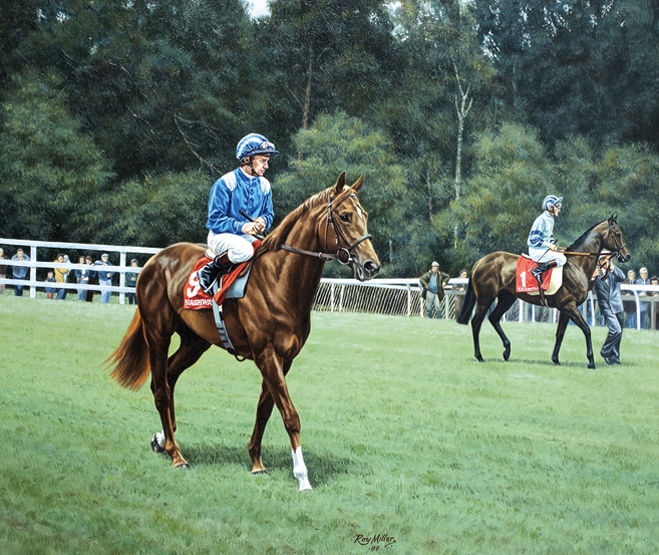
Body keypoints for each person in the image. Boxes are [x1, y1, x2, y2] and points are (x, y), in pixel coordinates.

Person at [197, 133, 278, 294]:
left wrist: (263, 220)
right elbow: (214, 221)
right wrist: (242, 226)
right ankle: (209, 270)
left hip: (247, 237)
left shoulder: (265, 185)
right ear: (247, 159)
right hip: (220, 235)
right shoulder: (225, 183)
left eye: (267, 161)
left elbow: (269, 213)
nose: (266, 166)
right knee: (245, 250)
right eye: (262, 161)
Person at [527, 195, 567, 304]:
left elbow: (550, 237)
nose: (559, 209)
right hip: (536, 251)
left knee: (563, 254)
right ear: (550, 207)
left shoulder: (550, 219)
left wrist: (553, 245)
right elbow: (532, 240)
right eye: (557, 206)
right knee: (562, 259)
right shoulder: (541, 220)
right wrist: (548, 245)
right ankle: (537, 271)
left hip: (543, 249)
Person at [592, 257, 626, 365]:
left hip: (617, 306)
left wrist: (612, 268)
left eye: (609, 259)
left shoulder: (614, 271)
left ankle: (615, 357)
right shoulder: (595, 272)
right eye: (606, 260)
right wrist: (593, 278)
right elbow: (588, 287)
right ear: (600, 261)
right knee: (616, 330)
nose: (609, 262)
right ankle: (605, 351)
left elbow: (622, 277)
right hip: (606, 307)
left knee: (619, 334)